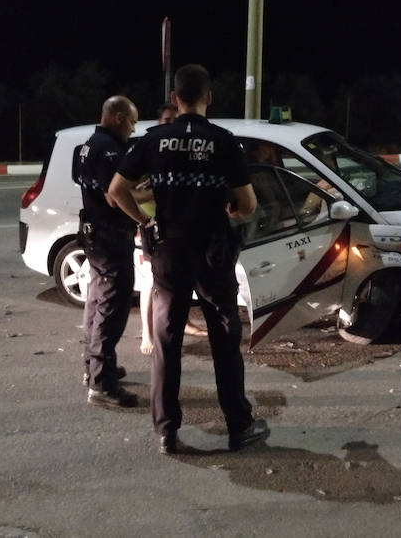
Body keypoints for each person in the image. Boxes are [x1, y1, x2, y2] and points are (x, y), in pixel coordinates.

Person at [109, 64, 270, 454]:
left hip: (169, 254)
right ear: (209, 97)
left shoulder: (154, 140)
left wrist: (146, 220)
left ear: (176, 99)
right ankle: (238, 424)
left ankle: (167, 431)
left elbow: (116, 190)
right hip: (212, 254)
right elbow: (248, 205)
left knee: (166, 342)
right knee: (225, 341)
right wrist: (231, 207)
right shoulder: (225, 142)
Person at [76, 95, 140, 408]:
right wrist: (143, 214)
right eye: (131, 121)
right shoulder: (111, 150)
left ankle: (95, 367)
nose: (133, 127)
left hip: (94, 235)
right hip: (111, 237)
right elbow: (115, 196)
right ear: (117, 117)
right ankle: (102, 384)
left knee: (96, 299)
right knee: (111, 307)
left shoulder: (89, 145)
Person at [136, 103, 207, 356]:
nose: (170, 123)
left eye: (174, 119)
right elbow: (128, 192)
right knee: (151, 282)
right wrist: (146, 211)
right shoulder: (152, 149)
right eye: (166, 119)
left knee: (179, 281)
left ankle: (185, 323)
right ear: (158, 122)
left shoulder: (177, 149)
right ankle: (147, 332)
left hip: (176, 228)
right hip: (152, 226)